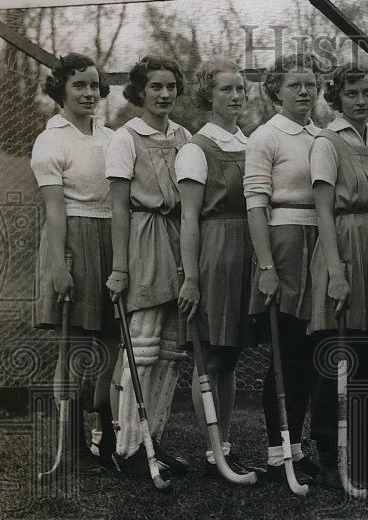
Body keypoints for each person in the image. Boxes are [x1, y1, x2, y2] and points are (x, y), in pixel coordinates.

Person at [31, 53, 119, 472]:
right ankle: (73, 446)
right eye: (79, 85)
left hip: (110, 237)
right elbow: (54, 211)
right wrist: (59, 266)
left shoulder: (109, 136)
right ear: (61, 90)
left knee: (110, 342)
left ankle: (108, 437)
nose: (88, 93)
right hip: (72, 240)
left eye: (94, 85)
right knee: (75, 348)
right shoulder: (52, 139)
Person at [105, 55, 192, 477]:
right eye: (155, 86)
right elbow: (119, 206)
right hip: (143, 237)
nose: (164, 94)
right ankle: (126, 447)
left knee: (172, 349)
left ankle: (153, 441)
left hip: (178, 239)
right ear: (139, 91)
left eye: (170, 86)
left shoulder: (183, 135)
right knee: (142, 344)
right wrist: (120, 267)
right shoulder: (125, 138)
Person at [309, 63, 368, 490]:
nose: (361, 101)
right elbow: (322, 209)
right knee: (335, 353)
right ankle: (326, 454)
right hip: (341, 244)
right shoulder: (326, 142)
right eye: (352, 94)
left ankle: (359, 449)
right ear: (337, 98)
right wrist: (336, 272)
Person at [244, 52, 324, 484]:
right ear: (275, 90)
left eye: (310, 83)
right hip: (283, 241)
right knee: (285, 350)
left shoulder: (321, 135)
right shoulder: (265, 136)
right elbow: (255, 204)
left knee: (310, 354)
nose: (304, 91)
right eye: (294, 84)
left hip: (319, 242)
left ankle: (298, 446)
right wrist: (266, 265)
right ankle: (278, 454)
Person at [177, 56, 258, 477]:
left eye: (240, 88)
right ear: (208, 95)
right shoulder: (196, 148)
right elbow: (189, 218)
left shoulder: (251, 143)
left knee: (230, 355)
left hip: (249, 250)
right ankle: (213, 449)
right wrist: (191, 277)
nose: (236, 95)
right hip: (214, 251)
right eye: (226, 88)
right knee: (209, 356)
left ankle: (221, 444)